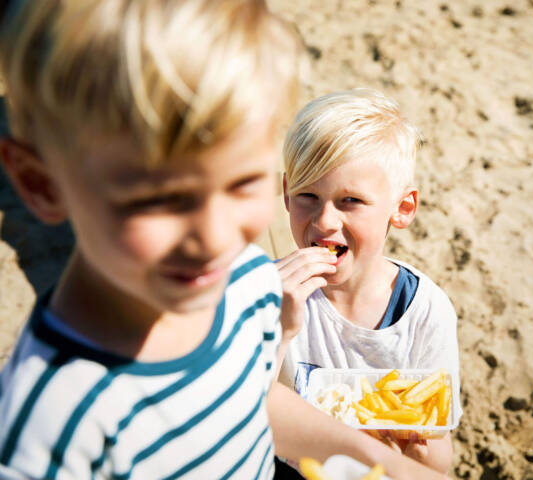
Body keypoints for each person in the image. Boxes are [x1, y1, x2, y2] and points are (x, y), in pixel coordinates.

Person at [0, 3, 446, 479]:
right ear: (42, 184)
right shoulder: (47, 424)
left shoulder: (248, 282)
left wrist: (382, 461)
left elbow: (249, 401)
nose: (213, 239)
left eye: (242, 183)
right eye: (162, 199)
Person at [276, 89, 461, 474]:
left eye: (350, 201)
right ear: (286, 194)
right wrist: (279, 328)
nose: (325, 221)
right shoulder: (271, 291)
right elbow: (238, 410)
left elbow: (439, 463)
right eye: (307, 194)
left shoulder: (425, 312)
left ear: (402, 208)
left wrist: (411, 446)